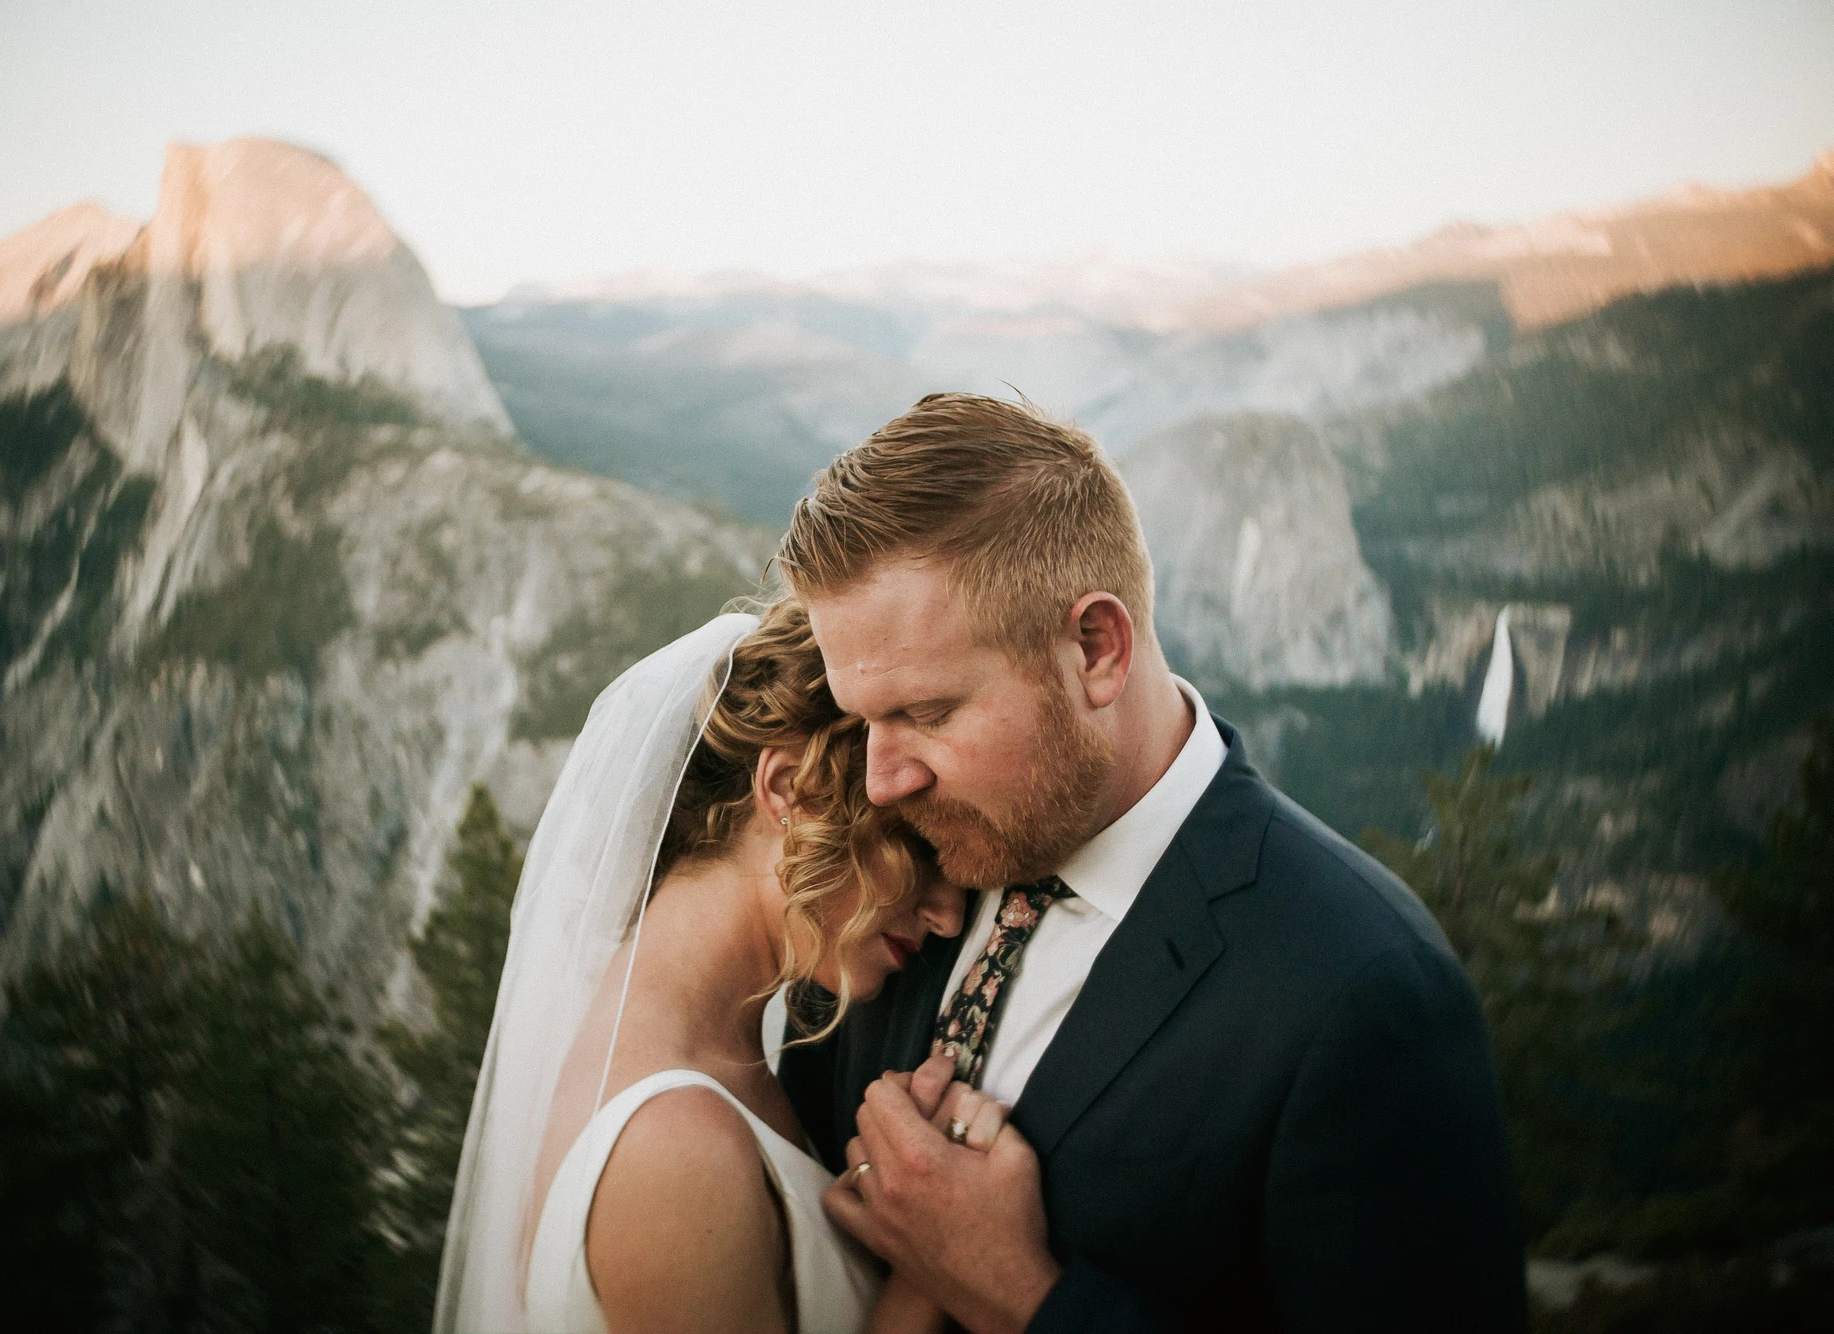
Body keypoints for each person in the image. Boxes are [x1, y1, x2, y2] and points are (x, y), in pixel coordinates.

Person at [777, 393, 1528, 1334]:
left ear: (1097, 648)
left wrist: (1025, 1297)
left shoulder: (1364, 993)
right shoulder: (894, 886)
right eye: (862, 719)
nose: (881, 779)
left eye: (927, 713)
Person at [434, 598, 992, 1334]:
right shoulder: (670, 1152)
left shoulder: (696, 1042)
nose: (948, 913)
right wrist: (936, 1265)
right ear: (788, 789)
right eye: (919, 842)